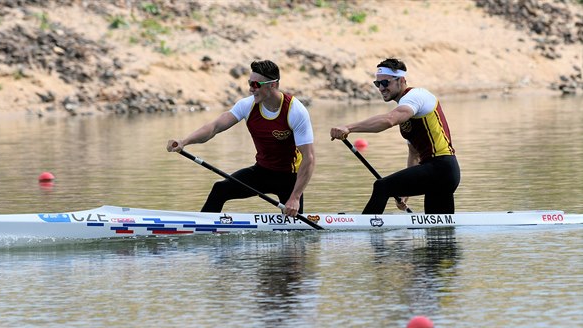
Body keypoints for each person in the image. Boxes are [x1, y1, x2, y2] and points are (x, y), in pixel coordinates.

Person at [167, 60, 316, 217]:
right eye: (249, 83)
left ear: (272, 85)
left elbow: (309, 158)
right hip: (262, 171)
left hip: (290, 178)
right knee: (220, 189)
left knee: (296, 231)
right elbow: (214, 127)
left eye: (255, 84)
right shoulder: (247, 106)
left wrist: (295, 197)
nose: (251, 89)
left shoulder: (295, 111)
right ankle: (201, 229)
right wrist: (184, 142)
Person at [330, 58, 460, 214]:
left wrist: (348, 128)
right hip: (440, 173)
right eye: (377, 84)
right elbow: (414, 154)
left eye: (385, 83)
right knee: (439, 233)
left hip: (441, 168)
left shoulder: (416, 96)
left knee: (382, 186)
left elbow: (389, 120)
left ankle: (366, 230)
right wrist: (406, 193)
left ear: (402, 80)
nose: (381, 88)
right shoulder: (407, 109)